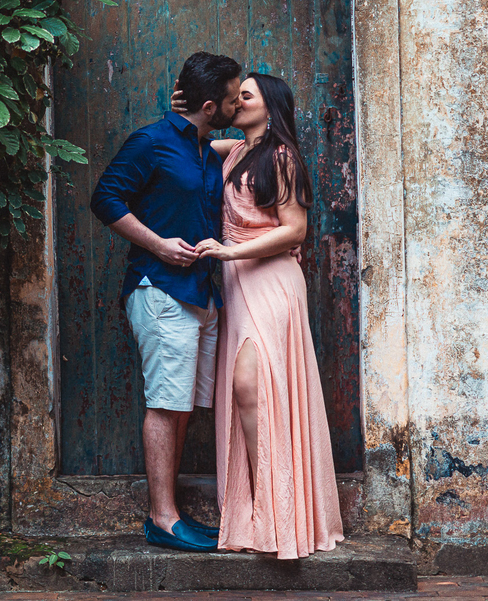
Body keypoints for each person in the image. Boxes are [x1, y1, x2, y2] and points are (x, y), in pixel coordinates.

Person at [90, 51, 242, 552]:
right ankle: (162, 517)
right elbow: (105, 200)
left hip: (201, 293)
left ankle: (169, 514)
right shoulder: (150, 142)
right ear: (208, 104)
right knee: (165, 404)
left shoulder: (203, 146)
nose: (237, 103)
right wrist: (157, 243)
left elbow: (246, 140)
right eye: (230, 98)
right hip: (160, 289)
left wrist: (197, 114)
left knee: (182, 407)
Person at [188, 72, 345, 558]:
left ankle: (274, 513)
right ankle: (264, 510)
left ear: (269, 106)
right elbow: (190, 137)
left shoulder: (282, 157)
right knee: (247, 393)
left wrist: (231, 253)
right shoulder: (233, 151)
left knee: (251, 385)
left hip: (271, 280)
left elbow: (295, 231)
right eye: (235, 96)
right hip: (239, 285)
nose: (237, 100)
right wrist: (188, 105)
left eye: (247, 95)